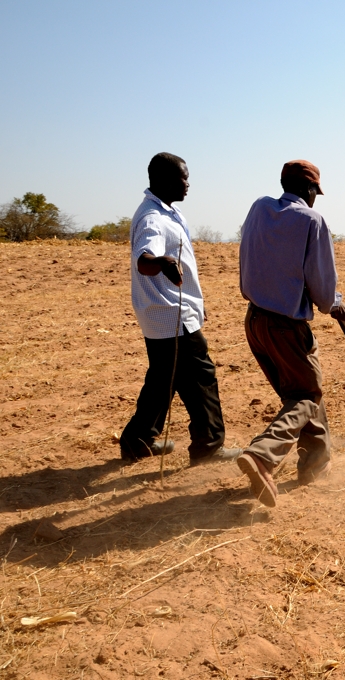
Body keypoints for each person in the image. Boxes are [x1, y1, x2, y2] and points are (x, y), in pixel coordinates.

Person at [236, 160, 345, 507]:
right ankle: (263, 455)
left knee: (302, 391)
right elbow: (323, 289)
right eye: (316, 192)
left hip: (255, 321)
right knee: (306, 396)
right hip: (286, 325)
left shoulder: (259, 208)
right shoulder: (312, 221)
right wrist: (335, 305)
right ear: (311, 191)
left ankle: (314, 464)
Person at [120, 153, 240, 466]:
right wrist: (161, 262)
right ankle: (208, 447)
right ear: (163, 180)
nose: (188, 185)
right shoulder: (153, 219)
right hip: (170, 314)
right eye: (183, 178)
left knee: (164, 379)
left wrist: (195, 304)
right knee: (201, 377)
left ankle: (137, 442)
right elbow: (143, 259)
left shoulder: (167, 212)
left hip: (171, 312)